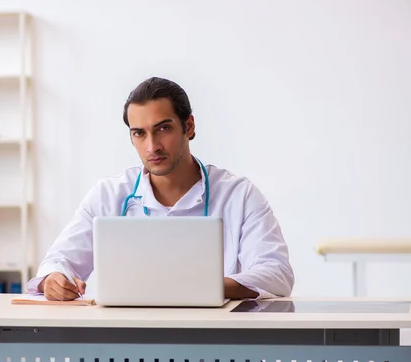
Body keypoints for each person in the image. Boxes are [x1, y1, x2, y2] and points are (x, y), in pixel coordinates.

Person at [26, 77, 295, 301]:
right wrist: (53, 280)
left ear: (188, 126)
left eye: (163, 128)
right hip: (130, 350)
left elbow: (277, 273)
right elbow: (57, 262)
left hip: (216, 345)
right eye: (139, 133)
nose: (152, 146)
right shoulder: (108, 195)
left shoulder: (239, 195)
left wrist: (202, 287)